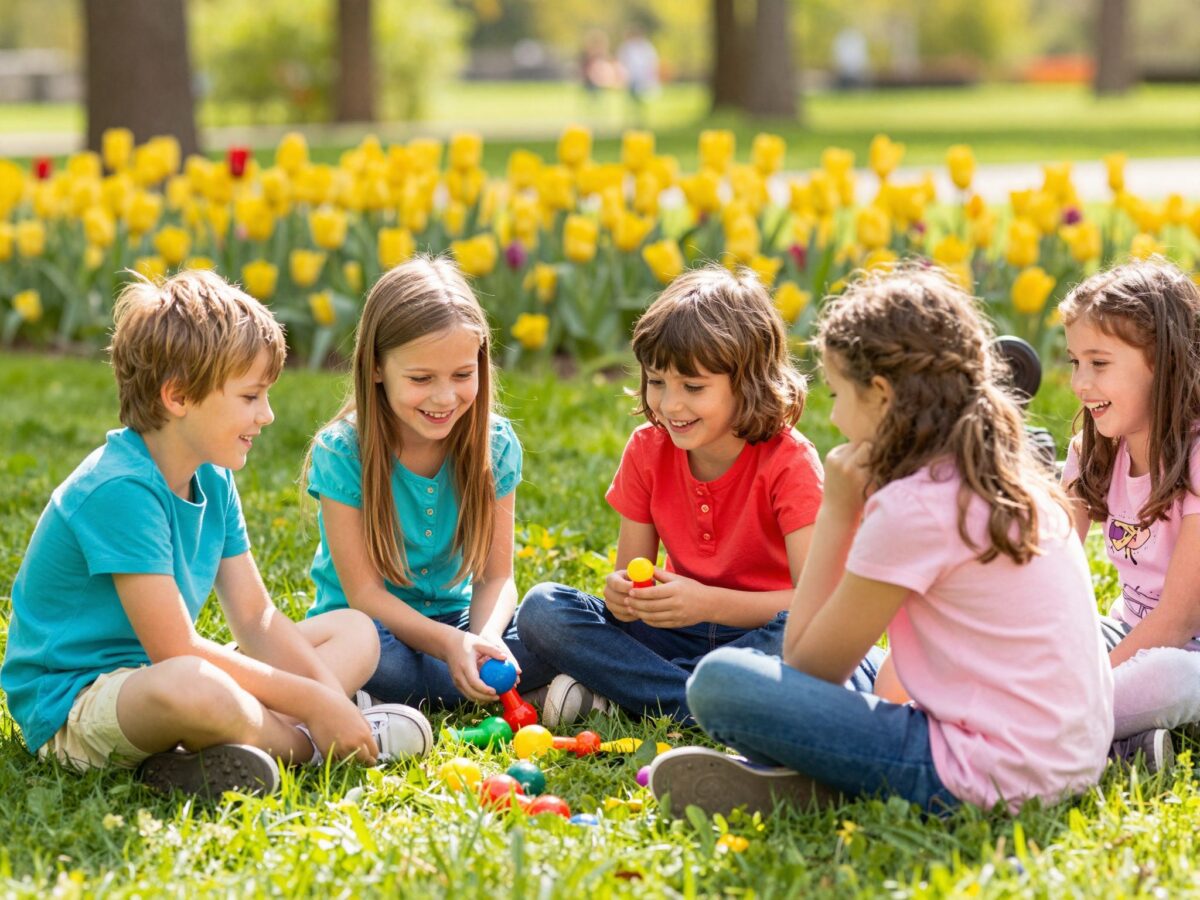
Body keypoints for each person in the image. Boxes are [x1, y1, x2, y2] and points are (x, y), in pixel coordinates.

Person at [650, 266, 1113, 818]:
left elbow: (807, 666)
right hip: (1069, 758)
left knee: (721, 684)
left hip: (989, 774)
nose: (835, 416)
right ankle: (830, 777)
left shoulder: (914, 505)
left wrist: (841, 509)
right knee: (858, 661)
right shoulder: (1000, 476)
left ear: (881, 395)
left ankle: (836, 778)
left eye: (839, 394)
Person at [0, 270, 426, 799]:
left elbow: (255, 618)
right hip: (76, 703)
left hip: (156, 678)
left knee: (356, 632)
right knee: (194, 685)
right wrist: (317, 705)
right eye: (250, 396)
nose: (267, 415)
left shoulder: (212, 473)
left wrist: (322, 694)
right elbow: (176, 649)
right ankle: (305, 748)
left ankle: (219, 747)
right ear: (178, 396)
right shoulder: (118, 490)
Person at [517, 265, 823, 727]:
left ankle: (646, 693)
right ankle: (704, 701)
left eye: (693, 387)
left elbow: (815, 603)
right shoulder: (647, 448)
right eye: (657, 382)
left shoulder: (789, 462)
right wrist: (623, 595)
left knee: (802, 638)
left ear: (748, 381)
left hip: (761, 634)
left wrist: (710, 603)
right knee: (542, 610)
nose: (670, 404)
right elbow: (629, 580)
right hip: (675, 631)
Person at [303, 256, 556, 710]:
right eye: (421, 379)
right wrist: (448, 647)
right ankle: (486, 691)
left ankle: (414, 694)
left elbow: (496, 577)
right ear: (376, 367)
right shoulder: (343, 452)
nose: (445, 398)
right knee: (373, 653)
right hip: (372, 631)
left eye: (462, 375)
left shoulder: (492, 444)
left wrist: (484, 643)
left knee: (551, 621)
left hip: (458, 623)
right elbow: (365, 596)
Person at [1060, 259, 1200, 772]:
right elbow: (1048, 573)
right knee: (1037, 650)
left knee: (1168, 679)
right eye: (1074, 362)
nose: (1080, 383)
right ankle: (1124, 749)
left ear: (1162, 363)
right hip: (1126, 634)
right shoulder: (1091, 451)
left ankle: (1037, 730)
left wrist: (1085, 679)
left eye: (1099, 364)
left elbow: (1178, 620)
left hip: (1186, 656)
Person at [616, 25, 659, 125]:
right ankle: (631, 120)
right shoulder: (627, 47)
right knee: (631, 100)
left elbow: (652, 62)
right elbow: (622, 62)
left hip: (643, 78)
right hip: (631, 77)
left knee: (642, 99)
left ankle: (641, 119)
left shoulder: (646, 47)